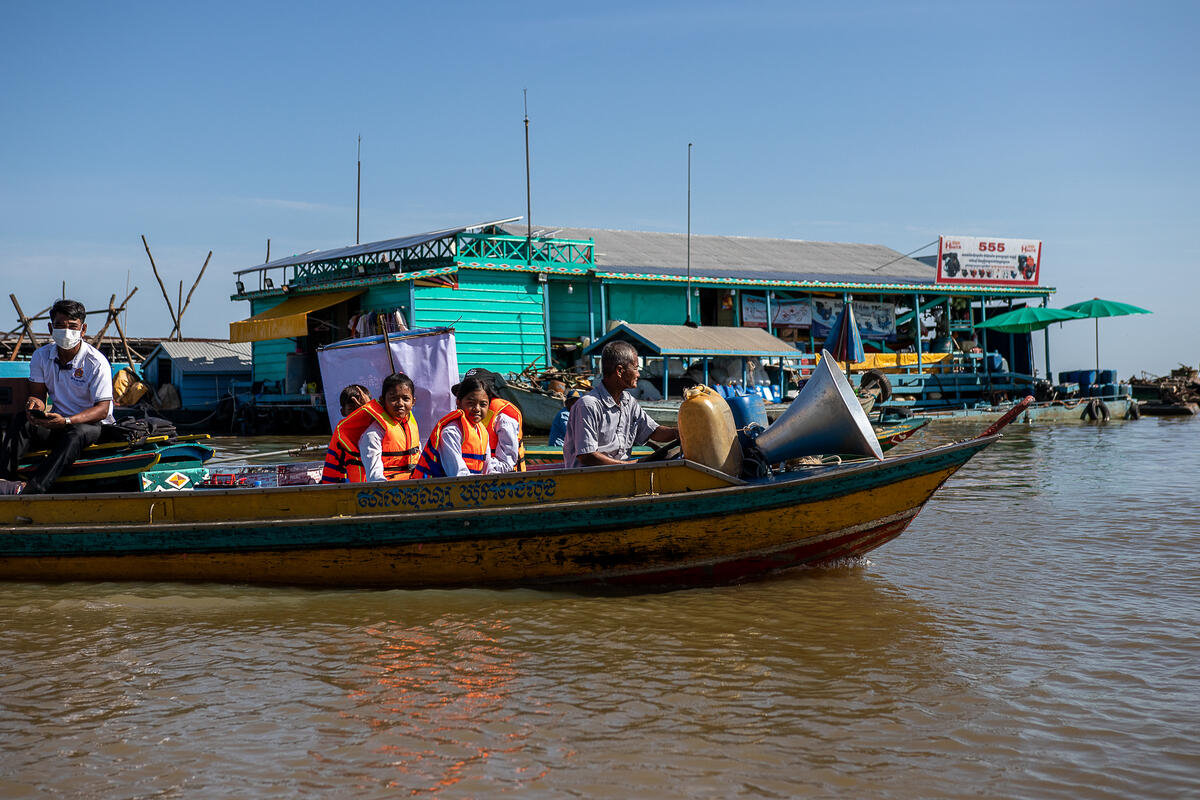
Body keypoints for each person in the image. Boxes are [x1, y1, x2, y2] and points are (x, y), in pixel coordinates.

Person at [0, 299, 114, 495]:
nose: (66, 331)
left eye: (72, 326)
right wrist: (33, 407)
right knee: (22, 421)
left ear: (83, 329)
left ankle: (33, 489)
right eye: (60, 326)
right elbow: (37, 396)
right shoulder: (41, 356)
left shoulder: (96, 362)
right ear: (51, 328)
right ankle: (4, 478)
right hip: (58, 422)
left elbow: (103, 409)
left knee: (76, 434)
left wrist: (68, 421)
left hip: (92, 425)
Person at [563, 341, 679, 468]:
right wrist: (630, 464)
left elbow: (654, 432)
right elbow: (587, 456)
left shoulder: (629, 402)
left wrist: (679, 432)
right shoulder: (588, 405)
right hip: (589, 479)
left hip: (621, 473)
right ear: (619, 371)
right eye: (635, 368)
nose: (638, 374)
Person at [320, 374, 420, 483]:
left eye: (405, 399)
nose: (400, 404)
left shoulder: (409, 425)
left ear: (413, 401)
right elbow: (375, 477)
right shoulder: (372, 435)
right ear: (382, 401)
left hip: (412, 483)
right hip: (382, 489)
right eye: (393, 399)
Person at [412, 375, 500, 479]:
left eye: (483, 404)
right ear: (458, 402)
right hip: (443, 490)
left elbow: (487, 469)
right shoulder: (451, 432)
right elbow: (458, 475)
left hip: (472, 486)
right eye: (471, 403)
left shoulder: (482, 432)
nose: (477, 409)